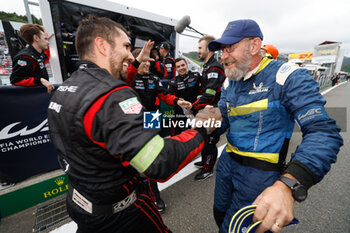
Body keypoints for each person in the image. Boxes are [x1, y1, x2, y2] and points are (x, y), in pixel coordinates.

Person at [47, 15, 222, 233]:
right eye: (126, 46)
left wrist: (177, 100)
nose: (131, 55)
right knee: (146, 158)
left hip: (84, 202)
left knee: (146, 147)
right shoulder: (114, 93)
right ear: (101, 45)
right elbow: (158, 162)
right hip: (119, 214)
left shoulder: (63, 90)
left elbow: (161, 94)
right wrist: (202, 127)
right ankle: (154, 195)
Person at [207, 19, 343, 233]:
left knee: (234, 229)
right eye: (222, 50)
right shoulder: (229, 80)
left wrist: (289, 184)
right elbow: (224, 114)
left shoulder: (287, 76)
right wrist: (208, 119)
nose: (222, 57)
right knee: (220, 215)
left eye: (229, 48)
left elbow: (324, 132)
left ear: (253, 45)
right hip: (226, 165)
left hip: (260, 175)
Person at [130, 48, 192, 212]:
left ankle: (154, 197)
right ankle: (135, 195)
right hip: (133, 120)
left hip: (151, 116)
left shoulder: (153, 78)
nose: (146, 64)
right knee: (133, 159)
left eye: (148, 61)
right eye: (142, 60)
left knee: (152, 157)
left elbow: (165, 95)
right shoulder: (128, 76)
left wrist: (178, 101)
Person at [193, 35, 226, 181]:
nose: (198, 51)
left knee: (211, 140)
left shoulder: (214, 67)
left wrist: (192, 107)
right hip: (209, 110)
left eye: (200, 48)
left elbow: (210, 95)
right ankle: (204, 161)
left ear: (209, 49)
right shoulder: (207, 66)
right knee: (206, 139)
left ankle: (208, 169)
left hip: (215, 111)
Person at [10, 24, 54, 94]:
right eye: (45, 39)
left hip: (40, 96)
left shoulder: (38, 54)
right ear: (36, 38)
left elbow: (45, 57)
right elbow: (15, 80)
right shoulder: (24, 57)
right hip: (30, 99)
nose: (48, 42)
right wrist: (40, 80)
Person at [168, 57, 201, 135]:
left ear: (187, 65)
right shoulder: (173, 82)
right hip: (179, 112)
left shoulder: (196, 76)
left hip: (194, 110)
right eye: (178, 67)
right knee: (175, 135)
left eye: (183, 65)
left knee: (195, 133)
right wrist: (177, 100)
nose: (181, 68)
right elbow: (169, 97)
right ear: (176, 69)